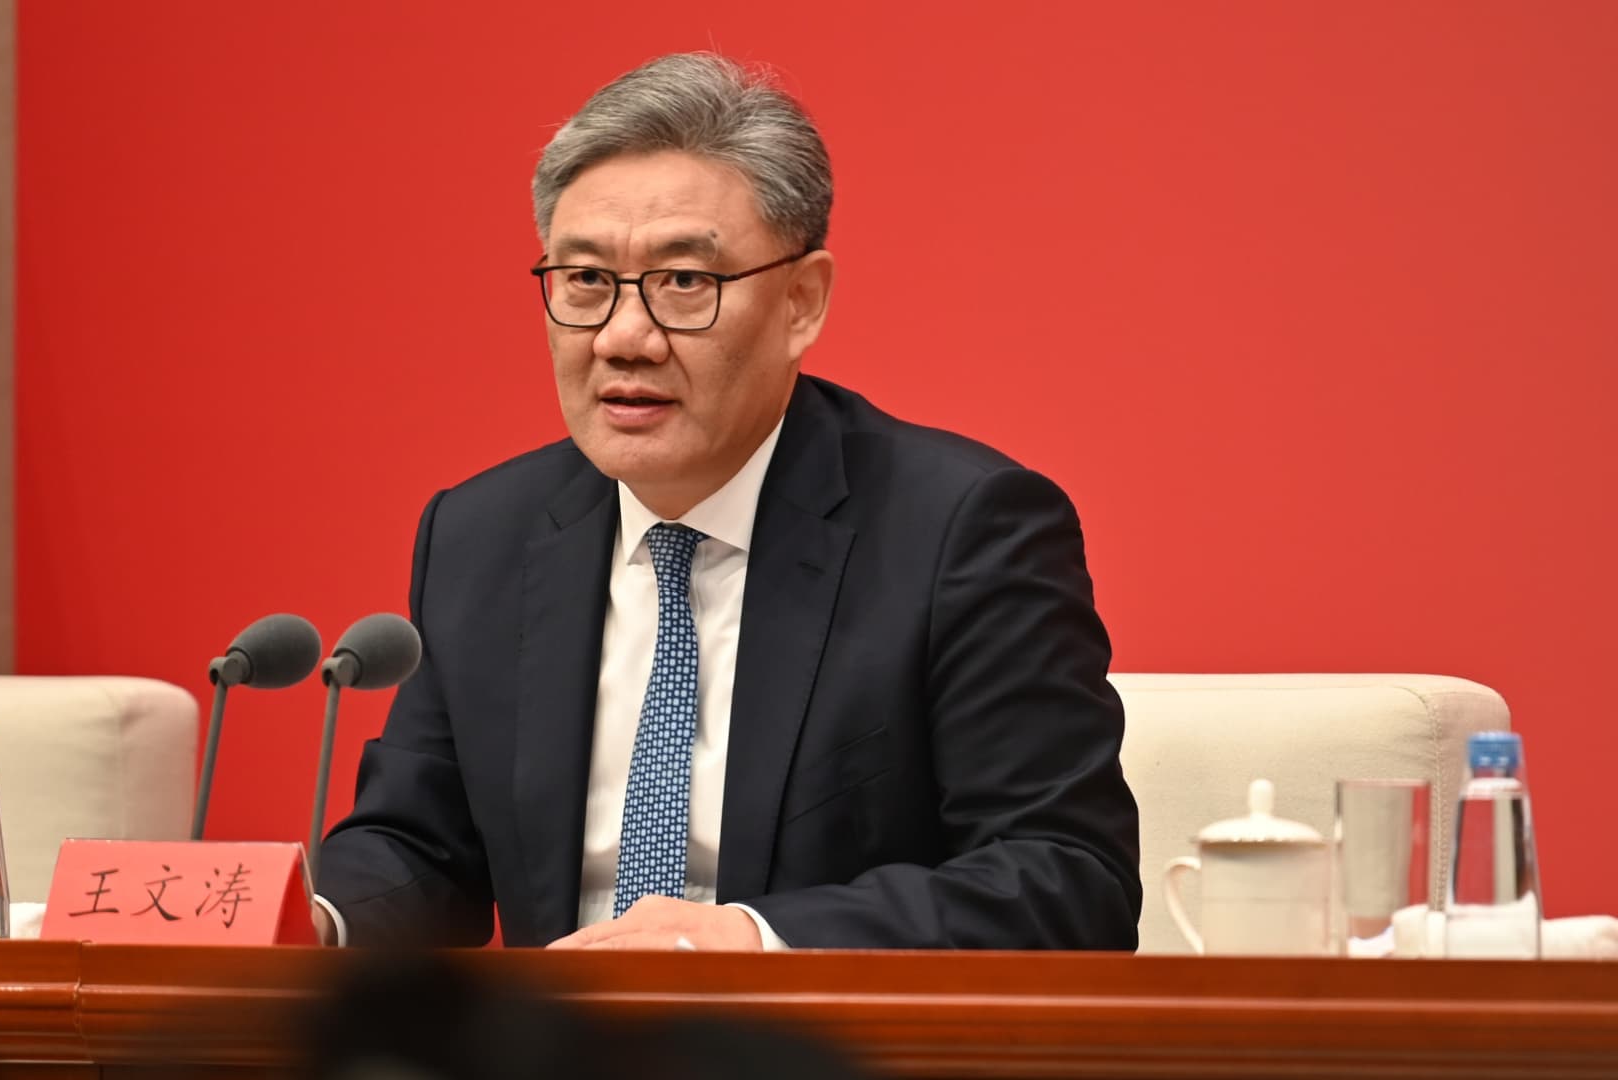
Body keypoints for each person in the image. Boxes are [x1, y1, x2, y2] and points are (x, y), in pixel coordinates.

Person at [313, 52, 1140, 951]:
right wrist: (315, 922)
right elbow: (420, 848)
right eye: (586, 281)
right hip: (558, 1026)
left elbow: (1065, 878)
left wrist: (744, 943)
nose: (625, 337)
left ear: (801, 302)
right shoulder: (483, 535)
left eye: (684, 282)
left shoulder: (961, 532)